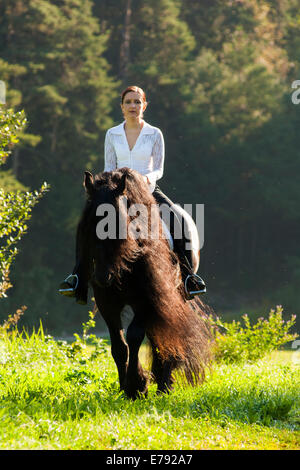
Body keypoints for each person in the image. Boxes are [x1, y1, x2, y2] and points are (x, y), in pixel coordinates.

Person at [59, 85, 206, 303]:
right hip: (117, 193)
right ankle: (77, 279)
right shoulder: (112, 134)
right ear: (122, 106)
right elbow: (109, 166)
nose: (133, 106)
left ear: (144, 105)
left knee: (178, 222)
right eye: (128, 102)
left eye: (137, 102)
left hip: (147, 190)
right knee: (87, 226)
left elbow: (159, 169)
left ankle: (188, 278)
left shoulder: (155, 134)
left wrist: (145, 178)